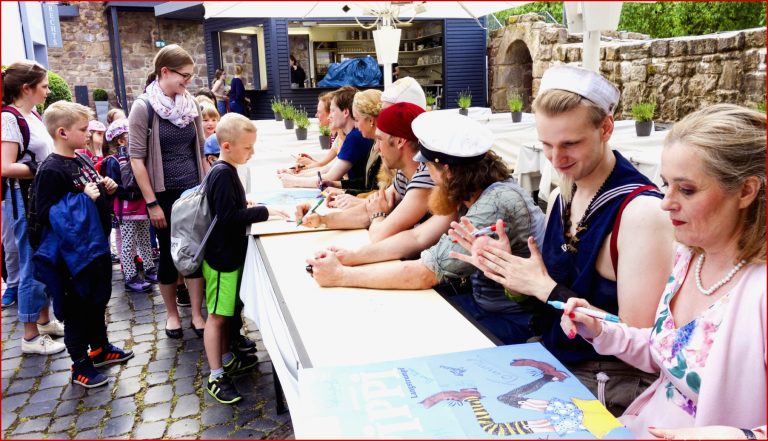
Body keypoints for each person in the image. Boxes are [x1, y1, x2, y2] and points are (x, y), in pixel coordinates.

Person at [448, 65, 675, 415]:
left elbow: (644, 343)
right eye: (546, 145)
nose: (555, 158)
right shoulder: (560, 197)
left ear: (606, 129)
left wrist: (545, 289)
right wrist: (510, 275)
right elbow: (547, 302)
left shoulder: (642, 213)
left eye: (570, 144)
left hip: (609, 383)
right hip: (554, 360)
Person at [559, 104, 766, 439]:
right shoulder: (688, 258)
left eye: (686, 189)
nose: (665, 201)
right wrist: (601, 329)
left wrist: (741, 435)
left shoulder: (760, 291)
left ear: (745, 191)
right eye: (665, 183)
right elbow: (666, 354)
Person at [307, 112, 546, 346]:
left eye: (427, 165)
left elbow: (425, 272)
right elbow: (416, 239)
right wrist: (352, 257)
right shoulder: (473, 190)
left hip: (514, 322)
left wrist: (340, 275)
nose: (425, 172)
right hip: (487, 305)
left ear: (447, 170)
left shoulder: (494, 203)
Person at [30, 101, 133, 388]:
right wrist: (84, 198)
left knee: (97, 300)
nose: (89, 134)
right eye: (83, 129)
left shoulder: (80, 158)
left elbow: (92, 191)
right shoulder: (51, 169)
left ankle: (99, 349)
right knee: (77, 310)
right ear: (62, 132)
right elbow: (48, 213)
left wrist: (106, 187)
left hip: (94, 248)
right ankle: (80, 365)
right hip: (70, 257)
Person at [202, 113, 288, 404]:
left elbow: (229, 207)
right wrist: (264, 211)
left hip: (229, 256)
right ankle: (215, 375)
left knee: (228, 313)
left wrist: (246, 203)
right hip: (221, 260)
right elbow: (227, 218)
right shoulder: (224, 173)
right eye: (247, 147)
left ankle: (226, 358)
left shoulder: (226, 169)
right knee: (217, 316)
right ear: (227, 146)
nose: (252, 152)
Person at [128, 44, 208, 339]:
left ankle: (197, 313)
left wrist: (206, 187)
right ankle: (172, 315)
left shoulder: (191, 105)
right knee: (169, 256)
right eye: (183, 76)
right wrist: (151, 203)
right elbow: (136, 159)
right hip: (162, 195)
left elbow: (200, 150)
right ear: (164, 72)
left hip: (192, 192)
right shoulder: (144, 107)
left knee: (194, 252)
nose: (187, 82)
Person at [296, 102, 436, 243]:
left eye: (380, 139)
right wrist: (320, 219)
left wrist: (378, 214)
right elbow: (365, 212)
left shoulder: (425, 176)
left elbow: (379, 232)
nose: (376, 148)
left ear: (400, 141)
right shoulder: (406, 173)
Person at [1, 60, 66, 355]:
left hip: (38, 197)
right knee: (30, 262)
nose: (47, 89)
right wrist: (40, 167)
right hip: (24, 199)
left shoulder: (32, 114)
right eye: (42, 86)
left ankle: (43, 321)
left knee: (42, 257)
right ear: (26, 89)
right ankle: (29, 337)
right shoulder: (10, 119)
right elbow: (5, 166)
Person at [278, 86, 373, 189]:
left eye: (332, 111)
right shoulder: (352, 135)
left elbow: (330, 176)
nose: (329, 116)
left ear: (345, 112)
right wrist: (295, 176)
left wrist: (294, 181)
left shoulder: (355, 137)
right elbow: (328, 168)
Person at [103, 118, 157, 293]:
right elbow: (114, 187)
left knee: (144, 239)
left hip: (141, 204)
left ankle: (149, 268)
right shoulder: (113, 161)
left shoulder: (138, 158)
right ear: (120, 140)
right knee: (128, 242)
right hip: (126, 207)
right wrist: (130, 192)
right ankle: (130, 276)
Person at [320, 89, 384, 198]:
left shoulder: (356, 137)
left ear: (370, 120)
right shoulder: (372, 142)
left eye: (357, 119)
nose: (356, 125)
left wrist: (343, 191)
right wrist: (337, 185)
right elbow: (367, 182)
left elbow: (377, 192)